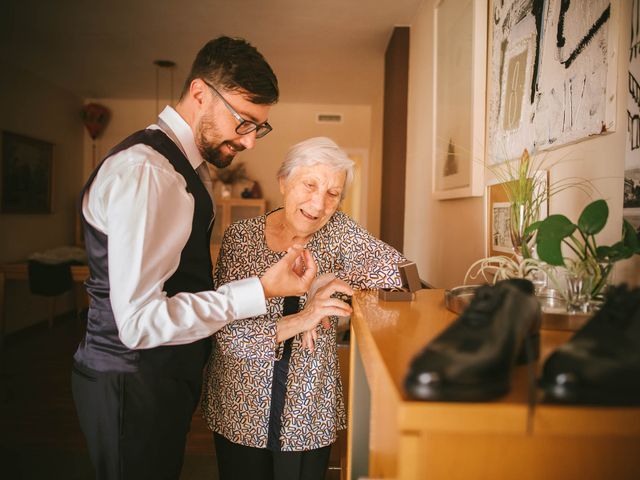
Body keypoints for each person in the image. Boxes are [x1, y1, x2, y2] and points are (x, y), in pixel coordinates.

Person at [71, 37, 352, 479]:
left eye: (259, 127)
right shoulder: (148, 172)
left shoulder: (187, 167)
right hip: (132, 379)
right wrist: (259, 290)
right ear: (200, 93)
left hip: (163, 377)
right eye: (243, 122)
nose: (250, 141)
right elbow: (139, 321)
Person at [201, 137, 407, 480]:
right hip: (240, 404)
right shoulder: (242, 237)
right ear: (284, 182)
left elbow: (405, 278)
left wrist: (336, 287)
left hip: (307, 409)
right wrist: (303, 318)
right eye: (310, 184)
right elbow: (227, 336)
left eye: (333, 193)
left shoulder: (340, 232)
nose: (319, 202)